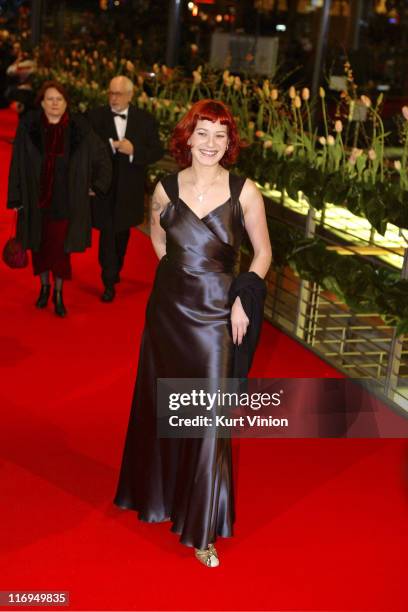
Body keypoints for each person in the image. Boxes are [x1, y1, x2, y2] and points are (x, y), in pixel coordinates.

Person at [113, 99, 272, 567]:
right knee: (161, 404)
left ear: (230, 143)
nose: (210, 144)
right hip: (169, 313)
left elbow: (263, 253)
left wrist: (243, 296)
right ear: (188, 137)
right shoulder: (165, 187)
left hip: (218, 316)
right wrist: (174, 270)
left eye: (220, 136)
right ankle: (156, 498)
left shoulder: (245, 192)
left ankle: (202, 529)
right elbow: (156, 233)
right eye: (202, 134)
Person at [7, 80, 112, 316]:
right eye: (50, 99)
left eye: (59, 99)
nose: (55, 104)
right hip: (36, 201)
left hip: (67, 202)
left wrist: (97, 185)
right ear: (42, 103)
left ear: (66, 103)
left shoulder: (80, 128)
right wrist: (16, 198)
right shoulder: (28, 127)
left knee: (60, 251)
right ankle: (44, 288)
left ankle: (58, 293)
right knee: (39, 247)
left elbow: (102, 156)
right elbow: (16, 164)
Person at [88, 75, 163, 303]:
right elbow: (83, 148)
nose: (113, 98)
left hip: (130, 191)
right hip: (103, 189)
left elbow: (157, 152)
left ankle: (115, 268)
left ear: (131, 96)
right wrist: (107, 147)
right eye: (110, 93)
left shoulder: (145, 120)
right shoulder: (95, 116)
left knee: (122, 234)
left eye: (118, 94)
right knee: (108, 234)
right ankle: (108, 280)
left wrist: (134, 151)